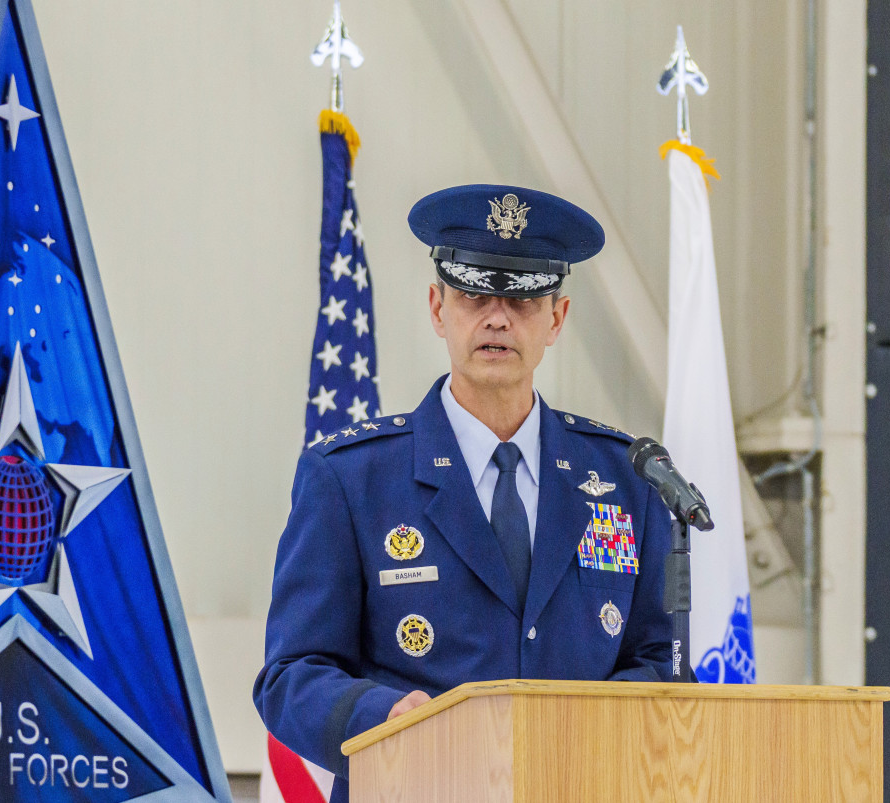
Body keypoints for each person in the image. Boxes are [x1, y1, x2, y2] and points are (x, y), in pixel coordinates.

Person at [254, 184, 671, 802]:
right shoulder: (349, 478)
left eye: (524, 298)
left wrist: (592, 733)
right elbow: (291, 675)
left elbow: (659, 656)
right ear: (437, 307)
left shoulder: (625, 478)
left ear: (556, 318)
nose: (498, 318)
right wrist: (383, 720)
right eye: (475, 294)